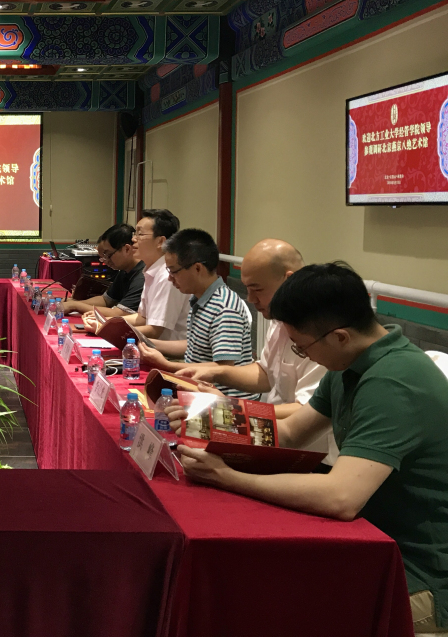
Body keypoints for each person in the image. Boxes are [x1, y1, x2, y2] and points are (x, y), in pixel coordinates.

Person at [169, 263, 448, 636]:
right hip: (371, 540)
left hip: (418, 572)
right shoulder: (351, 363)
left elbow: (340, 497)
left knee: (275, 604)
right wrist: (209, 418)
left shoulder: (394, 382)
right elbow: (289, 432)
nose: (302, 356)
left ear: (340, 336)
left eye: (301, 347)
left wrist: (226, 476)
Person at [174, 239, 333, 460]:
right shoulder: (280, 317)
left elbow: (307, 412)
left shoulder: (322, 333)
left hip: (312, 455)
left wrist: (231, 408)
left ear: (288, 280)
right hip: (272, 437)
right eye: (247, 289)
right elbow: (265, 374)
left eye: (257, 289)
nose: (250, 299)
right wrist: (214, 373)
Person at [139, 228, 255, 399]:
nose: (170, 278)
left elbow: (223, 368)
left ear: (197, 268)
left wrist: (167, 365)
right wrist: (147, 343)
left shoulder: (224, 307)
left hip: (223, 401)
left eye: (173, 271)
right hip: (198, 389)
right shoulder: (200, 298)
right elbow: (193, 345)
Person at [108, 209, 188, 341]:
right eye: (135, 233)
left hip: (168, 350)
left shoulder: (167, 276)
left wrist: (109, 330)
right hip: (152, 347)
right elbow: (142, 318)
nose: (133, 239)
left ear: (160, 241)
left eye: (140, 234)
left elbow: (154, 330)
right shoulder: (151, 270)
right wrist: (107, 322)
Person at [61, 224, 144, 318]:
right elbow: (106, 300)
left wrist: (75, 306)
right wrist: (74, 302)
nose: (105, 261)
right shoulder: (124, 270)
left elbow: (120, 314)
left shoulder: (142, 276)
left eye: (108, 255)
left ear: (127, 249)